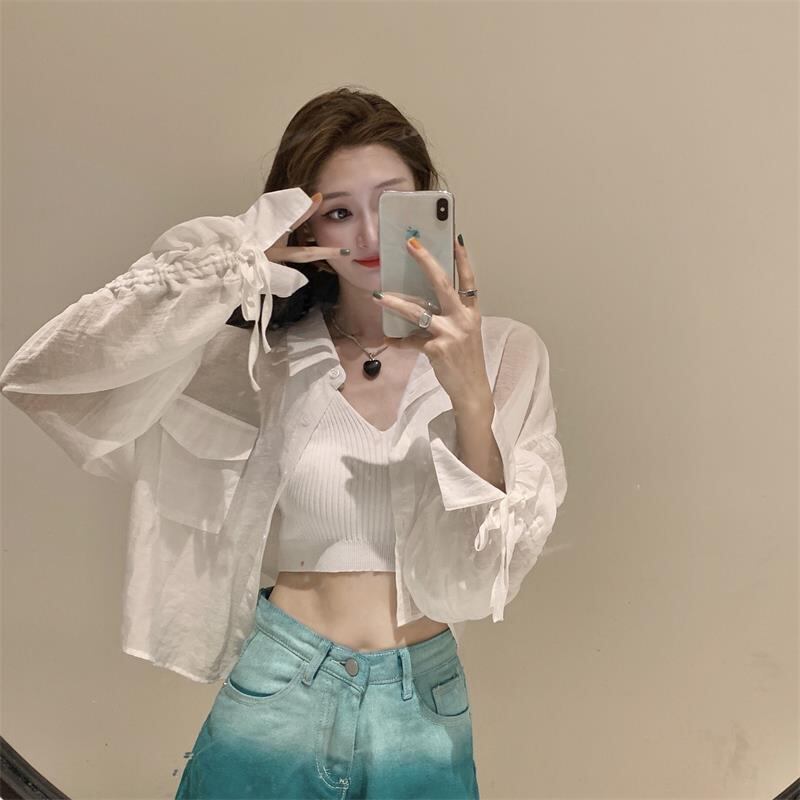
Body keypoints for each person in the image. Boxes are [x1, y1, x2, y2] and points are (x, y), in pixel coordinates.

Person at [0, 86, 567, 799]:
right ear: (306, 224)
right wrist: (236, 263)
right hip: (279, 687)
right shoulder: (261, 358)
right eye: (339, 212)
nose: (368, 236)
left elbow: (481, 580)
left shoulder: (506, 354)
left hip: (422, 708)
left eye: (391, 204)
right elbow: (49, 377)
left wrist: (471, 398)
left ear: (431, 200)